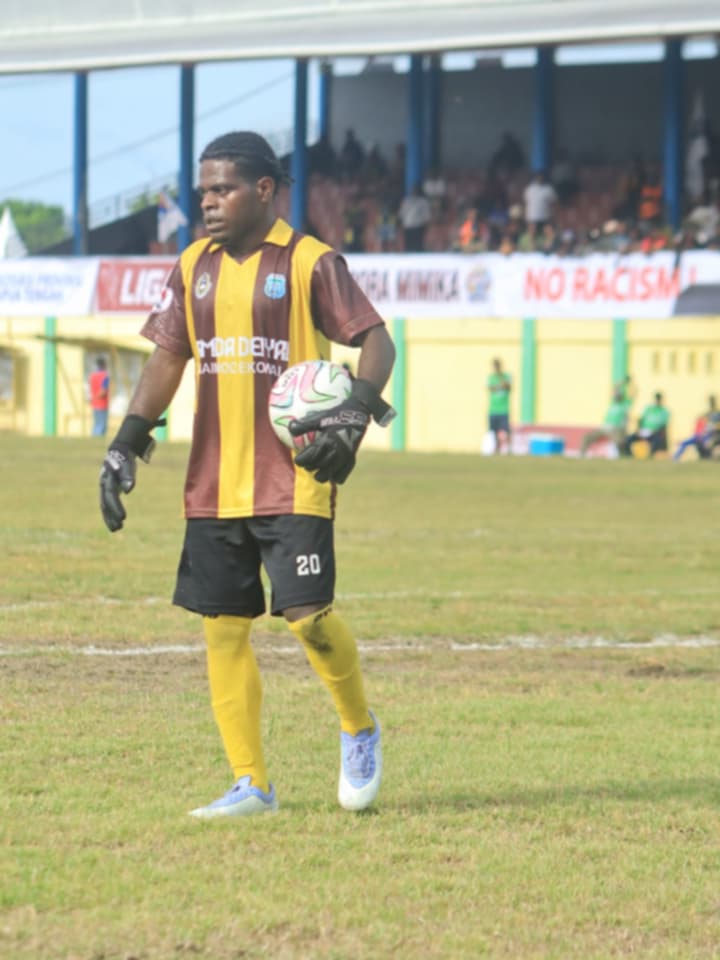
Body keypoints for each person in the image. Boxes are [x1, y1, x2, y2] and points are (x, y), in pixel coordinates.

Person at [98, 131, 396, 819]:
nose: (208, 201)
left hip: (295, 476)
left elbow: (376, 342)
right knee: (222, 629)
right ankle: (251, 783)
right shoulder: (192, 265)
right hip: (211, 481)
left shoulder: (310, 262)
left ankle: (358, 728)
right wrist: (124, 444)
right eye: (204, 189)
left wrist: (352, 417)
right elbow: (167, 360)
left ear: (264, 190)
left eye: (223, 188)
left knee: (308, 620)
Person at [580, 385, 631, 458]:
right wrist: (619, 385)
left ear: (622, 396)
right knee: (587, 437)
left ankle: (622, 456)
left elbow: (625, 421)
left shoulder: (624, 405)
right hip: (603, 428)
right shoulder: (612, 403)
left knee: (620, 442)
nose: (616, 396)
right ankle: (581, 455)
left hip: (615, 429)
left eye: (618, 395)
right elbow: (614, 390)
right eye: (616, 395)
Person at [673, 395, 720, 461]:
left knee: (708, 443)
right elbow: (701, 426)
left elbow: (715, 428)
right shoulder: (706, 414)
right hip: (701, 436)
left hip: (711, 436)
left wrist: (713, 428)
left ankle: (709, 456)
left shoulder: (717, 413)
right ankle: (675, 458)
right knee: (685, 442)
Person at [625, 391, 670, 457]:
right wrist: (638, 430)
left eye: (658, 399)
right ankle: (629, 454)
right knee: (629, 438)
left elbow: (663, 425)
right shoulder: (648, 409)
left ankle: (650, 455)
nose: (657, 401)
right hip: (643, 431)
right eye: (656, 399)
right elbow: (641, 420)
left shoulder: (664, 411)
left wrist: (654, 432)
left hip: (654, 433)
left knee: (656, 440)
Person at [397, 183, 432, 252]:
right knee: (409, 246)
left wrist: (425, 225)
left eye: (416, 190)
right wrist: (400, 223)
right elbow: (402, 213)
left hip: (418, 226)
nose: (414, 192)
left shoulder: (423, 202)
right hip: (408, 226)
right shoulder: (406, 201)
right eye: (413, 190)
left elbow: (426, 215)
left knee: (418, 246)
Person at [487, 358, 512, 454]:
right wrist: (499, 385)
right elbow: (490, 388)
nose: (496, 367)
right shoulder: (491, 377)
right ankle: (496, 449)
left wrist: (501, 381)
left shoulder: (506, 376)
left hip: (503, 409)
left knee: (506, 430)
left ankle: (509, 448)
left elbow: (508, 386)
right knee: (493, 431)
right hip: (493, 409)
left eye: (497, 365)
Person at [88, 356, 110, 436]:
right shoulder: (105, 376)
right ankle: (96, 441)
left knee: (96, 424)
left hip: (94, 403)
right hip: (102, 404)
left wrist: (93, 398)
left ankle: (93, 441)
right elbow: (103, 390)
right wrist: (98, 397)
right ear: (104, 365)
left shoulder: (92, 376)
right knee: (101, 425)